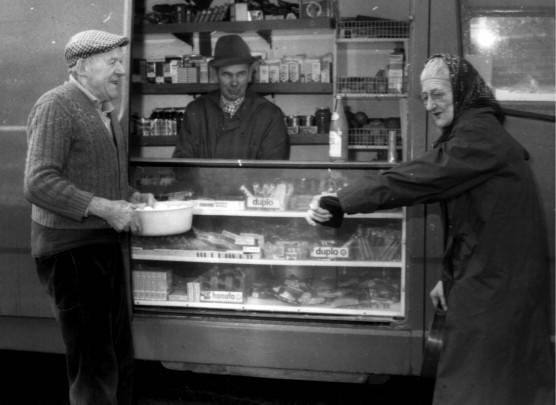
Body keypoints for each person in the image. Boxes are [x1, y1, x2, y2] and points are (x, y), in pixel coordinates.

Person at [307, 54, 554, 405]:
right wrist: (448, 278)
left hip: (496, 288)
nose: (429, 105)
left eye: (438, 94)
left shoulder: (478, 135)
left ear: (463, 91)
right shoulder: (475, 132)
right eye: (424, 97)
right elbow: (473, 222)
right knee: (500, 383)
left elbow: (418, 178)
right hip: (496, 278)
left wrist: (341, 200)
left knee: (478, 386)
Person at [24, 30, 155, 405]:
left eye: (120, 61)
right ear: (82, 67)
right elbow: (38, 182)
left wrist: (129, 196)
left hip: (100, 246)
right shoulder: (56, 105)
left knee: (117, 356)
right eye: (112, 61)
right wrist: (106, 208)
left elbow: (95, 176)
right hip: (71, 253)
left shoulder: (103, 110)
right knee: (95, 366)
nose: (121, 70)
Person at [172, 34, 289, 159]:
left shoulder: (270, 115)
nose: (234, 82)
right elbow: (183, 162)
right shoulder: (197, 110)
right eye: (227, 75)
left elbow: (273, 167)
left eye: (241, 74)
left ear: (250, 74)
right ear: (215, 75)